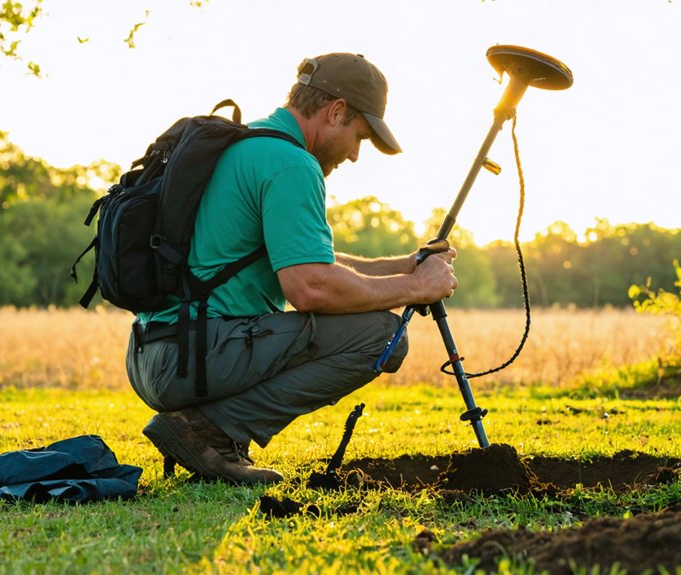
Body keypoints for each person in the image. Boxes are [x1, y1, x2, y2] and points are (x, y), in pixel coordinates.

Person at [125, 52, 458, 485]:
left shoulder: (249, 145)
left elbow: (313, 264)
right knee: (384, 337)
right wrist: (416, 290)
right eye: (359, 137)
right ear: (335, 111)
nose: (355, 156)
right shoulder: (291, 164)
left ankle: (205, 426)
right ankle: (209, 430)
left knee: (365, 320)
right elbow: (310, 288)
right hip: (191, 358)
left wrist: (409, 266)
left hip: (153, 355)